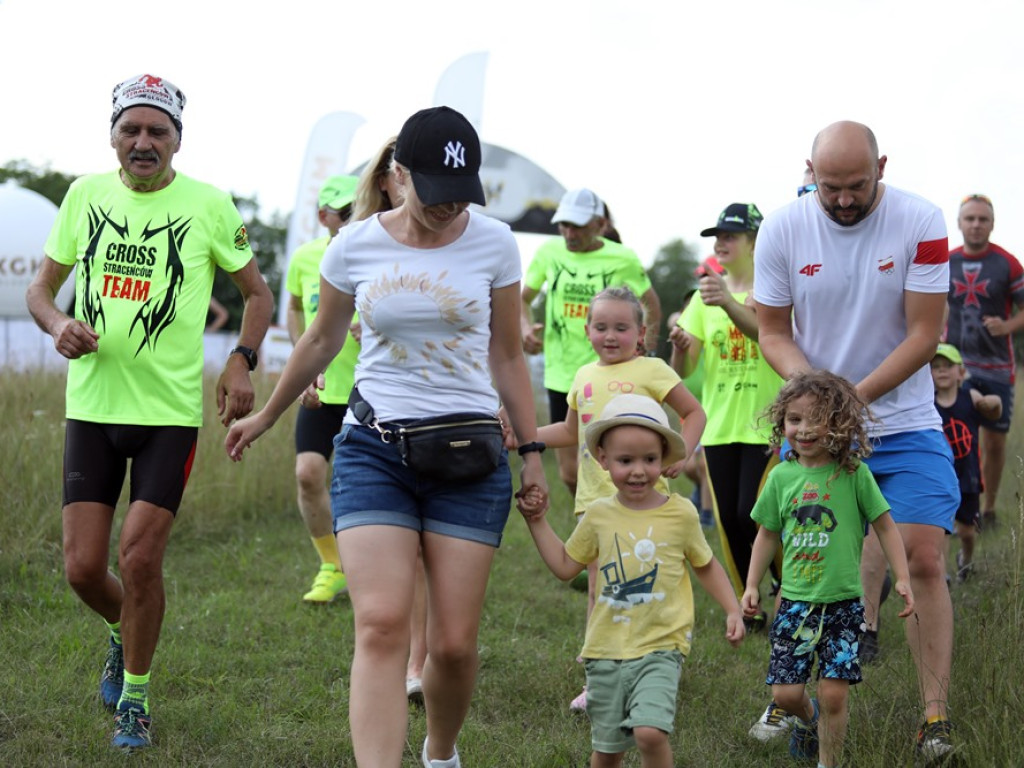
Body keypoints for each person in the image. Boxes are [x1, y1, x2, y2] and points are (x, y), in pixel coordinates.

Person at [225, 105, 547, 768]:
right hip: (375, 450)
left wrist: (534, 451)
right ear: (399, 176)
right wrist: (268, 415)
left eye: (462, 193)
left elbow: (508, 353)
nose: (450, 206)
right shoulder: (354, 245)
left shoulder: (494, 243)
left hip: (468, 454)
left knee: (453, 645)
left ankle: (440, 752)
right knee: (379, 625)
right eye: (436, 191)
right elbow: (320, 340)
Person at [24, 73, 273, 750]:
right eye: (130, 129)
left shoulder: (209, 205)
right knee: (82, 569)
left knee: (137, 559)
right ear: (112, 136)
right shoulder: (84, 195)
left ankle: (135, 699)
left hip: (167, 415)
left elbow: (257, 294)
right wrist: (57, 325)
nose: (143, 142)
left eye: (157, 131)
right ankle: (120, 628)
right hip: (92, 408)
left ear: (176, 141)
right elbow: (41, 290)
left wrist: (241, 359)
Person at [754, 120, 960, 761]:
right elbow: (772, 332)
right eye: (831, 188)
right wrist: (815, 401)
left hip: (905, 421)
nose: (844, 200)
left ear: (882, 168)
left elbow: (924, 335)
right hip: (817, 429)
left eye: (858, 186)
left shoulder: (922, 221)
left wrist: (851, 400)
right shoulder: (781, 228)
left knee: (924, 559)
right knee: (804, 559)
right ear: (811, 173)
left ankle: (934, 718)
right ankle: (790, 696)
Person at [521, 394, 743, 768]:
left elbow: (705, 565)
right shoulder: (598, 515)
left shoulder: (681, 513)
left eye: (650, 459)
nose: (639, 471)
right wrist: (536, 520)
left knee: (649, 732)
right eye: (626, 461)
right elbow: (565, 565)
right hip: (605, 648)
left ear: (664, 458)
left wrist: (732, 609)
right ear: (603, 460)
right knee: (608, 751)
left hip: (662, 644)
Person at [535, 286, 707, 712]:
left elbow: (694, 413)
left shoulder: (652, 369)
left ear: (641, 332)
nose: (610, 336)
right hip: (595, 504)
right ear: (587, 330)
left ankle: (657, 660)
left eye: (621, 327)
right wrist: (526, 438)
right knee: (601, 590)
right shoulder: (582, 376)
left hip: (647, 503)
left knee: (649, 586)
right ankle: (601, 678)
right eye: (601, 327)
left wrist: (680, 453)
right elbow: (570, 431)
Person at [742, 370, 915, 768]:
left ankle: (827, 761)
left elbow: (886, 527)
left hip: (844, 605)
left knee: (835, 693)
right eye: (794, 419)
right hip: (795, 604)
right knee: (786, 694)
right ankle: (809, 720)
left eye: (816, 419)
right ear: (782, 422)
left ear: (839, 424)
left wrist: (903, 577)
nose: (803, 430)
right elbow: (766, 534)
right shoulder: (781, 477)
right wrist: (752, 585)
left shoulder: (854, 474)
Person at [669, 203, 783, 622]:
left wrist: (726, 302)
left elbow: (766, 333)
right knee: (729, 522)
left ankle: (788, 586)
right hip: (718, 428)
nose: (721, 243)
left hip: (765, 426)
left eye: (730, 235)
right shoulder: (705, 297)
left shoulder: (774, 290)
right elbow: (685, 370)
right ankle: (748, 606)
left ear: (755, 242)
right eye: (717, 237)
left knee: (753, 515)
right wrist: (679, 349)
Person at [521, 188, 662, 501]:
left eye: (578, 226)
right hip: (561, 374)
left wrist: (644, 349)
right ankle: (592, 515)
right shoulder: (548, 252)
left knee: (615, 460)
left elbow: (651, 304)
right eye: (564, 225)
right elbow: (523, 299)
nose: (570, 234)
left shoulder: (622, 257)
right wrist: (526, 328)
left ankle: (619, 518)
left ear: (599, 224)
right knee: (570, 473)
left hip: (610, 374)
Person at [351, 135, 427, 699]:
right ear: (384, 180)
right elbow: (325, 330)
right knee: (395, 557)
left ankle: (420, 660)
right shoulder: (356, 244)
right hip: (372, 414)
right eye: (400, 172)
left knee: (425, 551)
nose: (410, 182)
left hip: (445, 418)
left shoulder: (461, 240)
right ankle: (398, 654)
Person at [285, 174, 361, 604]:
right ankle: (332, 566)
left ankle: (372, 570)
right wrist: (304, 363)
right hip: (322, 390)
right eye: (345, 213)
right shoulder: (304, 258)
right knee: (308, 474)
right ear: (323, 217)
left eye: (359, 210)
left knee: (360, 489)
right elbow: (295, 308)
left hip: (371, 394)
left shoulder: (382, 253)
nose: (353, 219)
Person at [944, 194, 1024, 530]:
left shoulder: (1008, 263)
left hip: (997, 368)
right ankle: (954, 510)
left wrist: (1007, 326)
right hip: (954, 367)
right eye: (970, 218)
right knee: (951, 438)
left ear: (992, 224)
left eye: (982, 219)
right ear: (959, 223)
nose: (976, 225)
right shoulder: (946, 261)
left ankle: (988, 510)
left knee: (993, 441)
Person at [930, 343, 1002, 581]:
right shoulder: (928, 405)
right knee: (942, 528)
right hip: (940, 475)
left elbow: (994, 409)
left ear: (961, 372)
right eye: (936, 367)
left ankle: (965, 560)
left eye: (948, 365)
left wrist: (993, 402)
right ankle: (943, 576)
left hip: (968, 476)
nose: (942, 370)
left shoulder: (970, 397)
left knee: (967, 532)